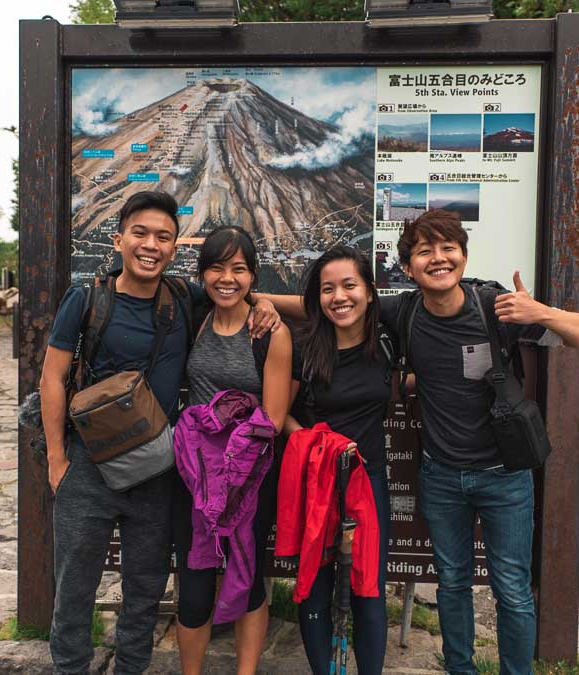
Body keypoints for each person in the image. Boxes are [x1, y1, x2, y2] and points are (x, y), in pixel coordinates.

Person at [261, 210, 579, 675]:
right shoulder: (406, 311)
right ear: (408, 267)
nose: (438, 259)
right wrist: (253, 299)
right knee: (452, 585)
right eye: (425, 251)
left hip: (505, 475)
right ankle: (459, 669)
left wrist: (541, 312)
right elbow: (331, 303)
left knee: (513, 590)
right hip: (441, 475)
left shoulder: (495, 306)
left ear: (463, 255)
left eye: (447, 249)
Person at [38, 191, 278, 675]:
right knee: (75, 587)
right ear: (119, 238)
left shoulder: (183, 298)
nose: (151, 245)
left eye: (163, 237)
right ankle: (69, 668)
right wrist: (57, 460)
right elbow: (51, 378)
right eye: (140, 233)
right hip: (88, 465)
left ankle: (131, 668)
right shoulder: (86, 299)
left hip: (157, 467)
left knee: (145, 589)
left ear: (175, 248)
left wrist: (266, 302)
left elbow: (230, 292)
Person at [172, 225, 292, 675]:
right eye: (217, 268)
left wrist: (225, 431)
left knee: (248, 578)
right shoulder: (194, 315)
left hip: (249, 477)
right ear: (202, 274)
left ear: (253, 275)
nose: (227, 278)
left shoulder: (270, 334)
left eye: (238, 269)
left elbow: (275, 419)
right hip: (192, 473)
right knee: (195, 584)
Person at [284, 246, 392, 675]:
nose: (339, 297)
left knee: (369, 590)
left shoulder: (387, 339)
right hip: (318, 485)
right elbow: (280, 415)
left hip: (371, 484)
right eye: (327, 289)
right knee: (314, 586)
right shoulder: (304, 348)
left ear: (368, 291)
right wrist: (319, 444)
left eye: (349, 286)